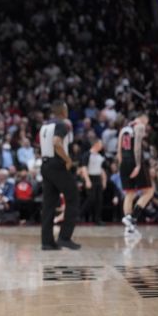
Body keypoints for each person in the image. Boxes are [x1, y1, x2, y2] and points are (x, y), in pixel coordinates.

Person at [39, 100, 80, 250]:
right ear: (63, 111)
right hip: (57, 165)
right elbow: (57, 142)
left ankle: (47, 242)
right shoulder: (62, 124)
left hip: (45, 164)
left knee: (49, 204)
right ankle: (64, 237)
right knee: (73, 198)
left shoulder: (44, 125)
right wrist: (68, 160)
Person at [117, 114, 154, 236]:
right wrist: (138, 165)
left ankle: (129, 227)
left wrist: (121, 166)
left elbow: (118, 151)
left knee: (130, 193)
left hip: (124, 162)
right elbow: (137, 147)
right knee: (149, 191)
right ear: (144, 119)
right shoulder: (139, 126)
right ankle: (133, 217)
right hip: (135, 161)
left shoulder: (123, 129)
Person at [79, 139, 106, 226]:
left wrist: (104, 180)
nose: (102, 145)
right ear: (96, 144)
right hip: (90, 177)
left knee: (99, 200)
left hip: (98, 178)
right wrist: (87, 180)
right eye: (100, 144)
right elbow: (84, 168)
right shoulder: (87, 155)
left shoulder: (100, 156)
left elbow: (101, 169)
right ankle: (79, 215)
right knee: (91, 198)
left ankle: (97, 219)